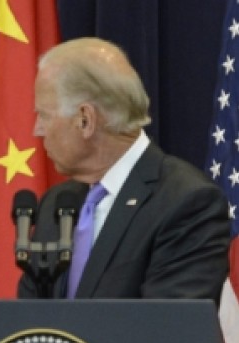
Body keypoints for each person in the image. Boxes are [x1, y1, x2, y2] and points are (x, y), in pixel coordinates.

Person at [18, 37, 230, 300]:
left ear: (86, 120)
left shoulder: (186, 202)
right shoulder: (56, 204)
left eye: (45, 116)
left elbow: (168, 329)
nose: (37, 130)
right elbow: (28, 316)